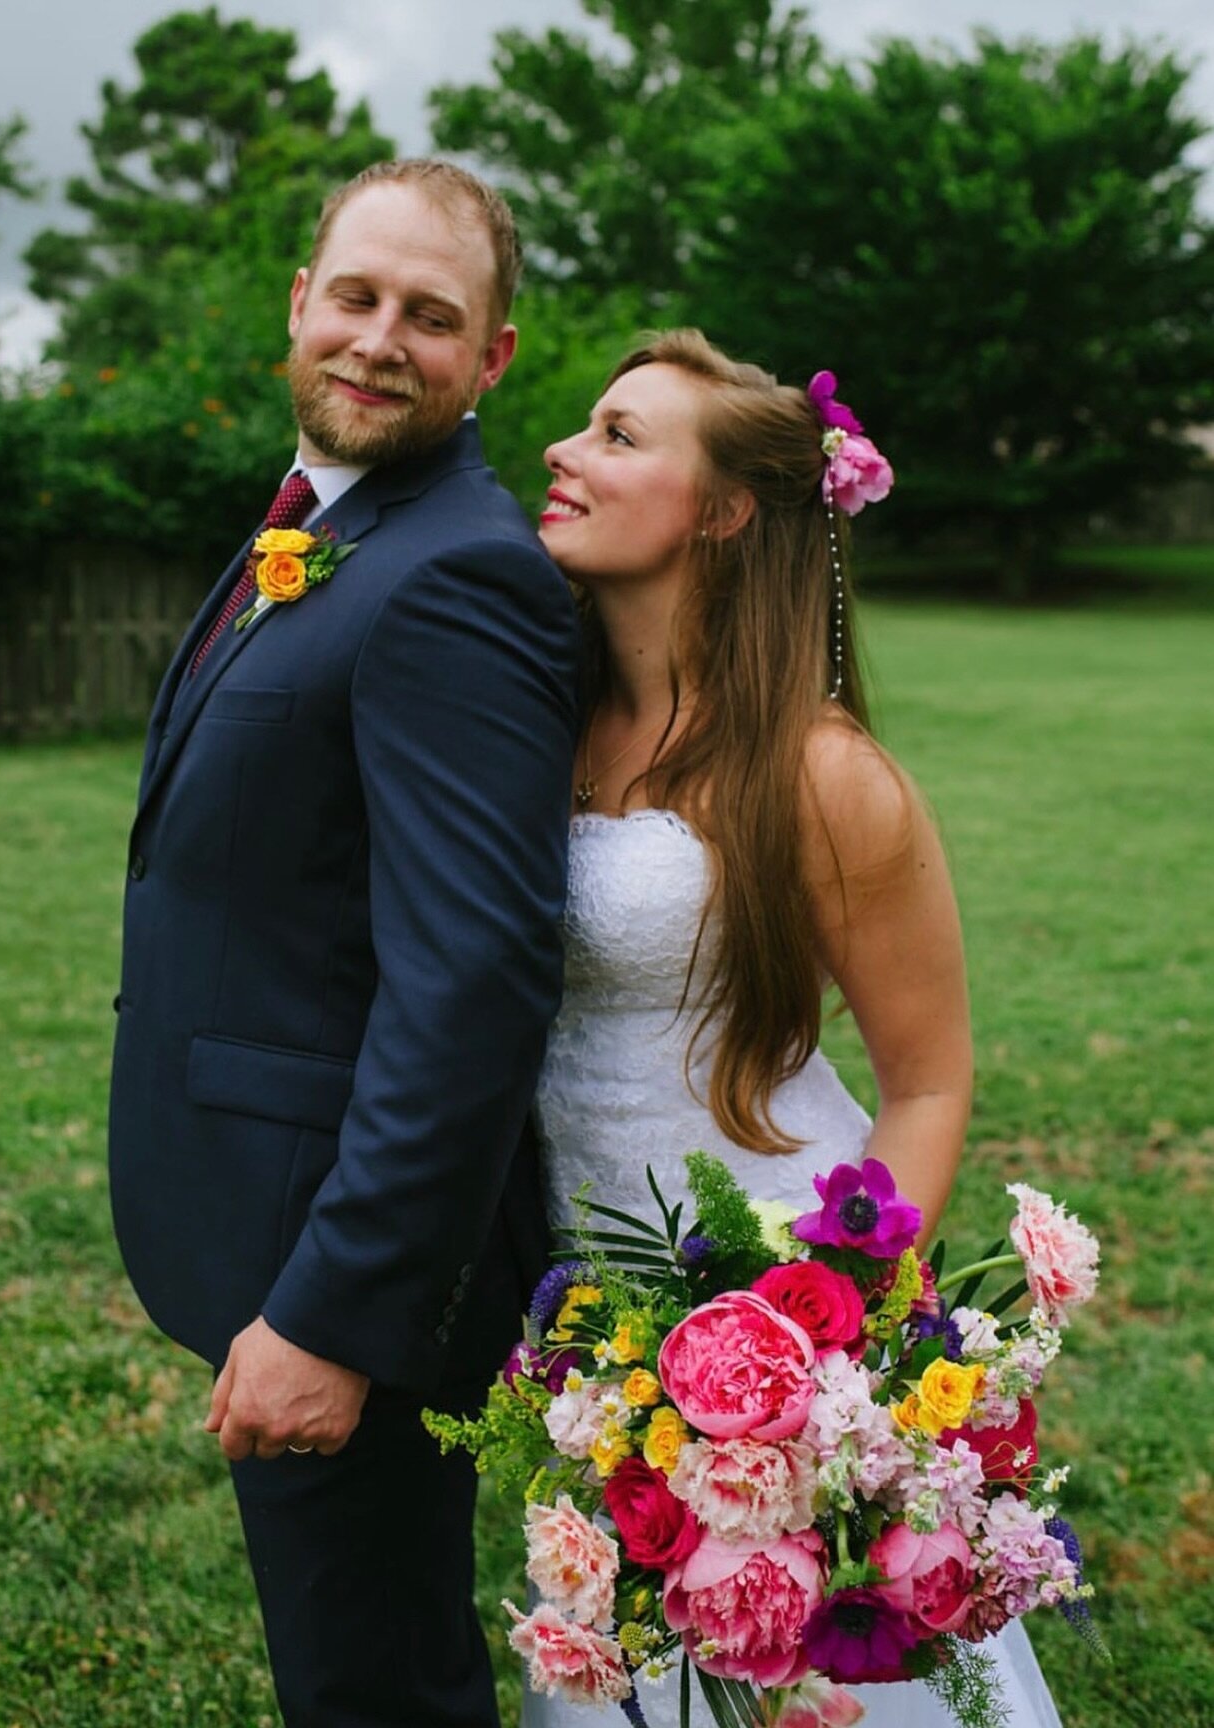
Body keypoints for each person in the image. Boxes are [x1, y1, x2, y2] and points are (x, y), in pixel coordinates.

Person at [525, 330, 1063, 1727]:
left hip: (774, 1301)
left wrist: (825, 1336)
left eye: (619, 436)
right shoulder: (541, 725)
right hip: (596, 1310)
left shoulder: (823, 773)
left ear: (722, 511)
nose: (562, 453)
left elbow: (930, 1082)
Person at [107, 159, 580, 1727]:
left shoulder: (463, 574)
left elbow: (473, 985)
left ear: (493, 357)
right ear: (297, 307)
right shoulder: (321, 523)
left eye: (431, 317)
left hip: (339, 1264)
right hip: (266, 1222)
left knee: (376, 1688)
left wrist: (331, 1315)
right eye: (358, 298)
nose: (383, 339)